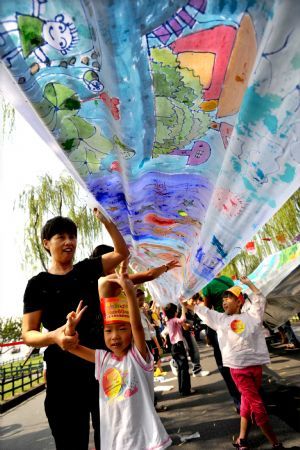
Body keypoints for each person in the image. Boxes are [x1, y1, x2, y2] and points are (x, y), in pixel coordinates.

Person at [22, 209, 130, 450]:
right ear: (46, 243)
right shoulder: (37, 285)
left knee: (114, 439)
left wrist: (107, 221)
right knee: (70, 441)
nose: (69, 241)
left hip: (100, 366)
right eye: (61, 236)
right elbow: (28, 333)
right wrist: (54, 336)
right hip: (62, 377)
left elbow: (122, 253)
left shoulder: (87, 269)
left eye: (73, 236)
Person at [64, 260, 172, 450]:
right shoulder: (103, 359)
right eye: (108, 331)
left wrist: (130, 293)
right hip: (114, 442)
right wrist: (69, 330)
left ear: (131, 332)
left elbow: (137, 326)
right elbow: (72, 347)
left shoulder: (138, 357)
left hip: (145, 441)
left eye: (122, 329)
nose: (115, 336)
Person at [187, 277, 285, 450]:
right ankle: (276, 443)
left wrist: (249, 284)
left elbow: (260, 299)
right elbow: (203, 311)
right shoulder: (220, 320)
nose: (224, 301)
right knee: (258, 405)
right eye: (223, 298)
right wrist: (188, 304)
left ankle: (242, 440)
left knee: (246, 402)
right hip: (238, 370)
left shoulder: (252, 316)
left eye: (229, 298)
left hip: (255, 367)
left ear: (239, 302)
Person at [202, 275, 241, 411]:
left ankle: (238, 401)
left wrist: (208, 334)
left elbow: (207, 312)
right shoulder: (228, 280)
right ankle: (246, 394)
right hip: (234, 321)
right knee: (238, 359)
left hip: (218, 325)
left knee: (224, 365)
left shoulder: (207, 286)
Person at [164, 301, 195, 396]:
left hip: (174, 346)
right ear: (175, 312)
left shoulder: (168, 321)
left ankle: (183, 389)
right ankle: (186, 390)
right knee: (184, 368)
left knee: (181, 368)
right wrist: (183, 307)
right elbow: (183, 319)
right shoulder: (174, 320)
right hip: (178, 345)